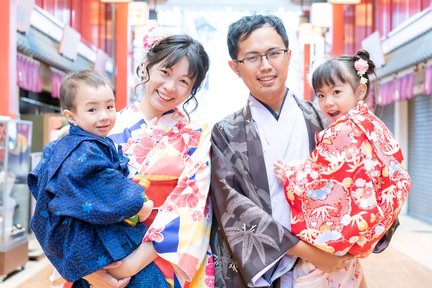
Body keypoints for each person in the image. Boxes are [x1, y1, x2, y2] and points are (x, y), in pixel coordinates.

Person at [209, 14, 398, 287]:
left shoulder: (325, 118)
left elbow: (368, 178)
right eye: (252, 57)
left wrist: (352, 240)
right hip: (271, 266)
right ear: (235, 67)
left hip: (334, 258)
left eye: (274, 53)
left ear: (288, 55)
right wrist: (304, 250)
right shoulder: (226, 133)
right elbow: (232, 207)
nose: (265, 65)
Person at [83, 34, 213, 288]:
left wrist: (129, 266)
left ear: (193, 89)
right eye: (165, 72)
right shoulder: (103, 127)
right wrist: (88, 268)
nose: (170, 87)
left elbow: (190, 208)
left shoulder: (198, 136)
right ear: (147, 66)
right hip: (95, 257)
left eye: (184, 81)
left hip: (156, 258)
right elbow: (71, 195)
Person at [273, 49, 411, 287]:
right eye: (321, 95)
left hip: (342, 231)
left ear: (360, 91)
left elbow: (323, 177)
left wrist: (290, 174)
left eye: (336, 92)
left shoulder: (343, 130)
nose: (328, 102)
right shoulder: (372, 124)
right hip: (363, 224)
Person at [29, 69, 169, 288]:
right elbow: (105, 185)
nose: (104, 115)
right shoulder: (85, 150)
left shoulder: (64, 145)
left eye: (109, 106)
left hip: (79, 243)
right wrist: (139, 205)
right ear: (71, 116)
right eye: (92, 109)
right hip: (96, 238)